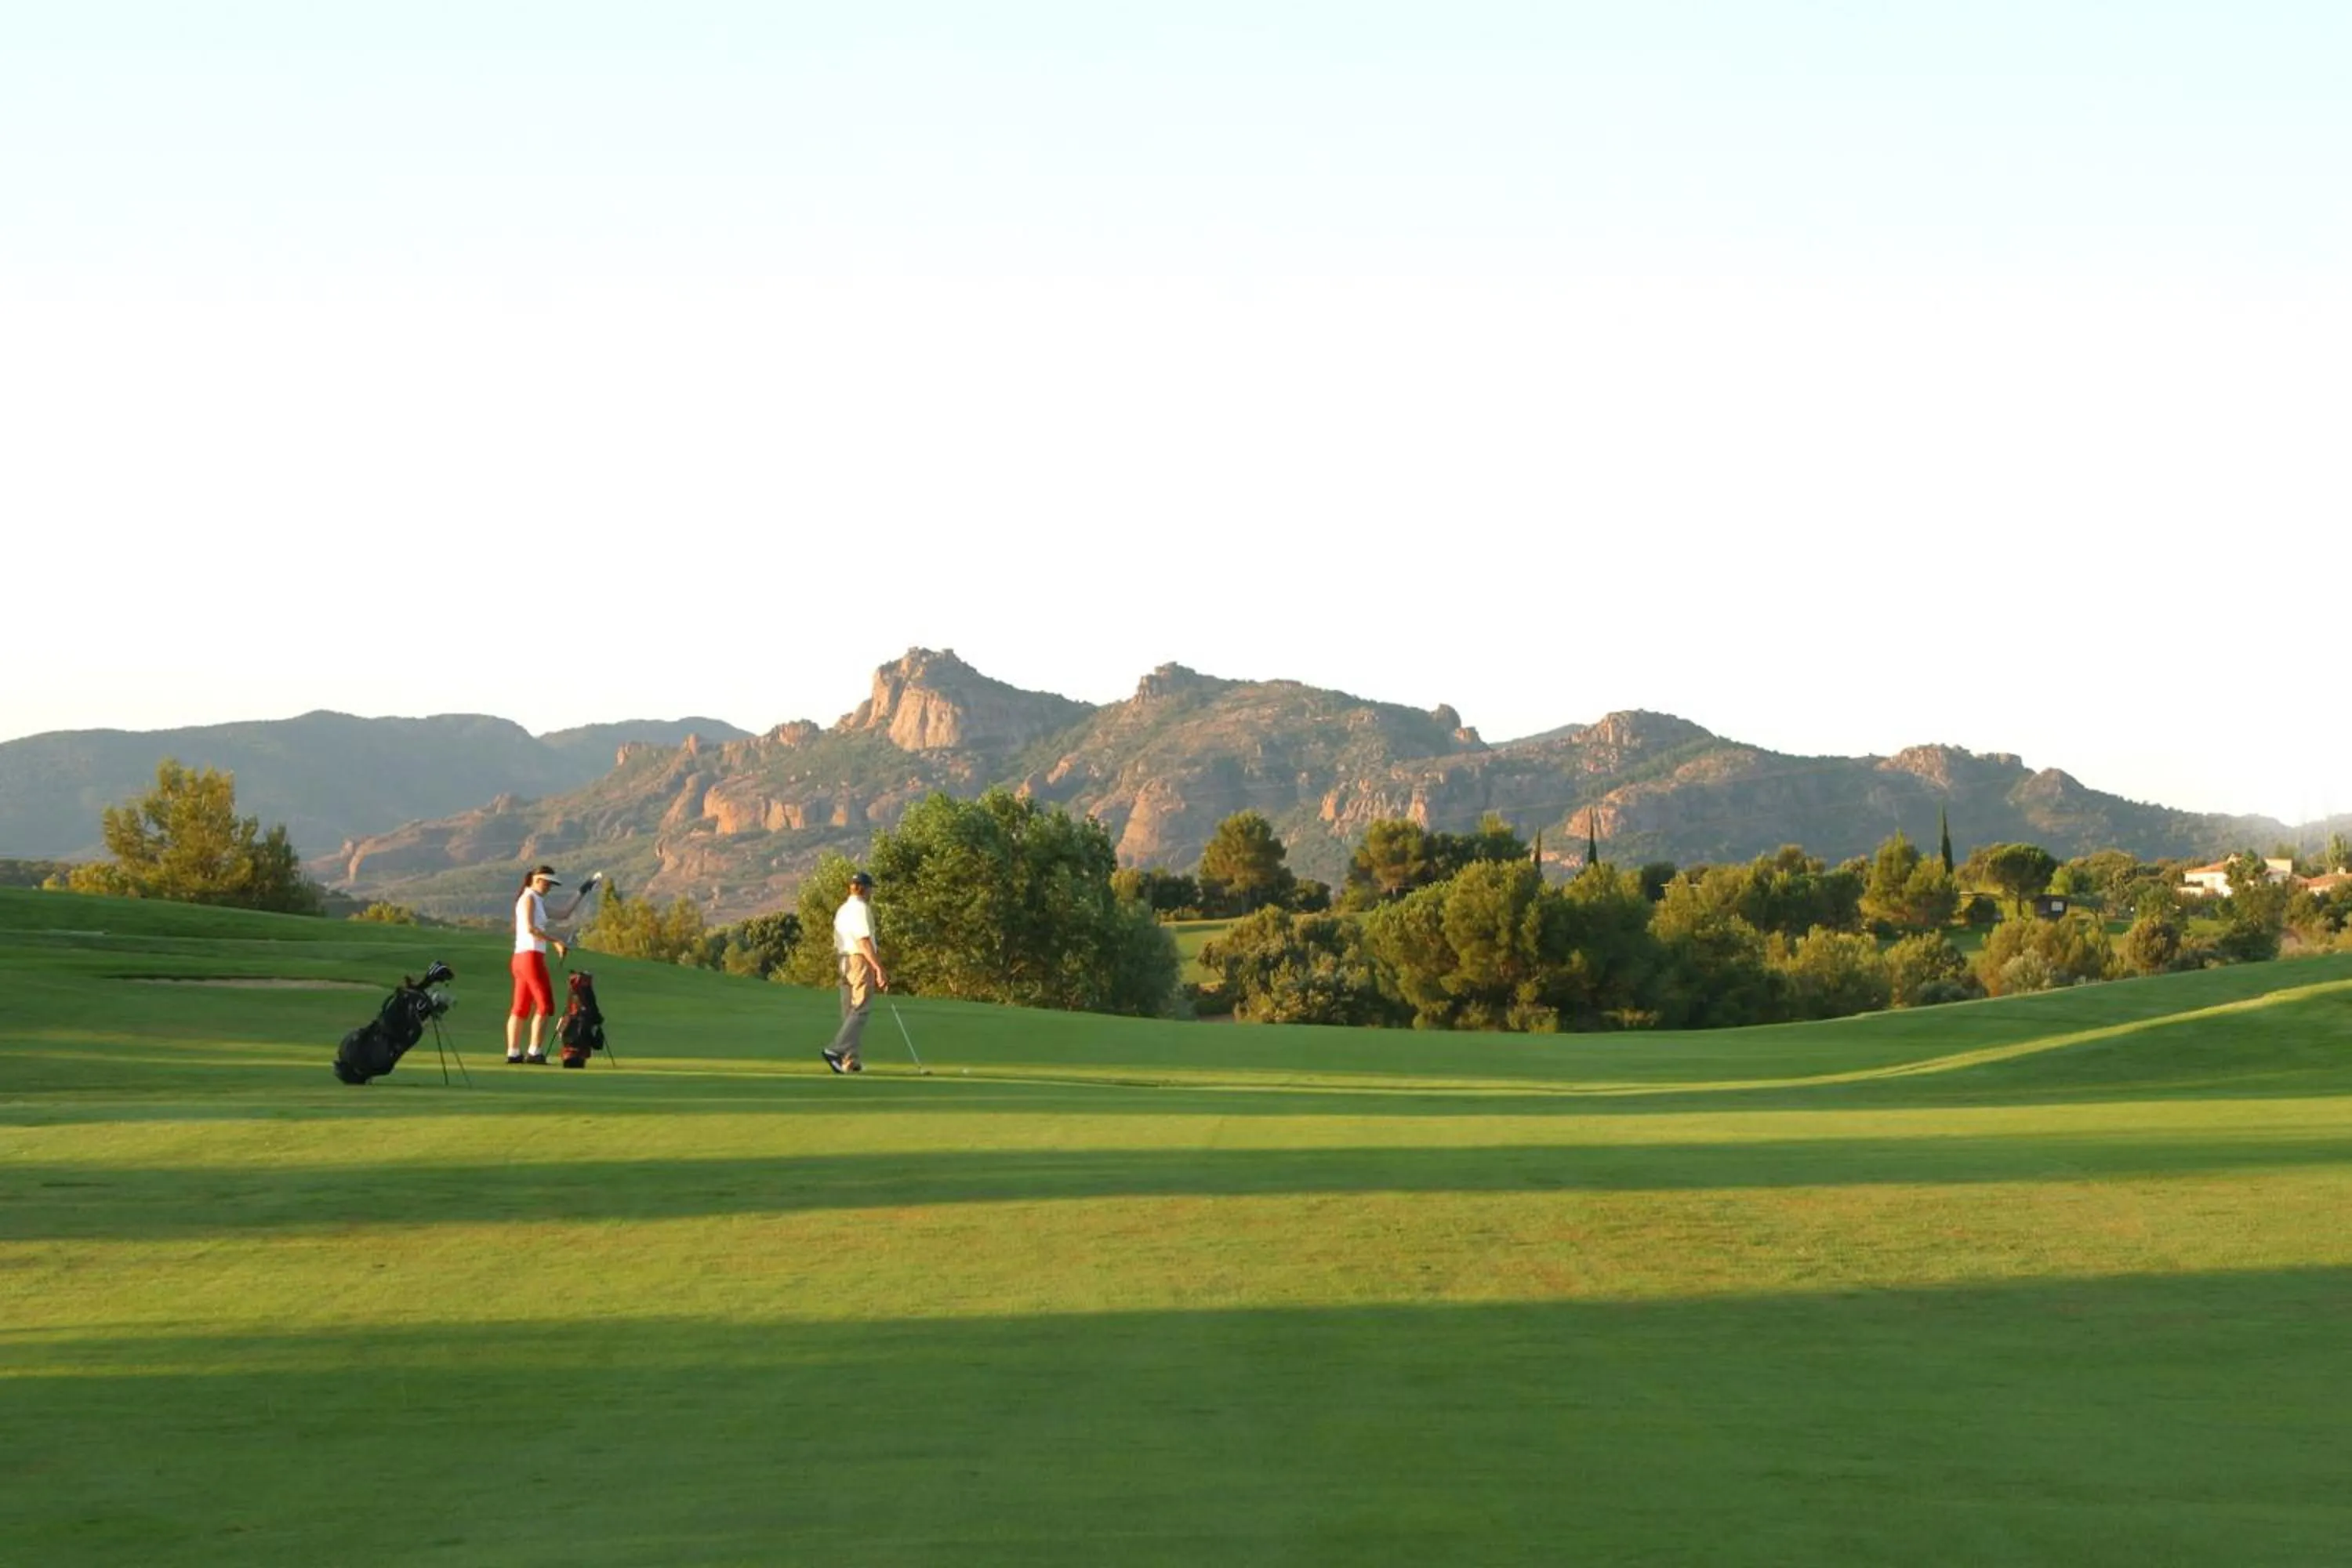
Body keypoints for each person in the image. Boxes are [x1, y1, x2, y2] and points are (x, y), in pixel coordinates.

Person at [509, 864, 590, 1063]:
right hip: (530, 957)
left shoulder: (536, 900)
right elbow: (531, 929)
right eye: (548, 883)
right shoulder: (529, 898)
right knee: (545, 1006)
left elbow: (564, 914)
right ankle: (534, 1052)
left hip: (521, 958)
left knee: (520, 1007)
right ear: (537, 880)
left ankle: (513, 1053)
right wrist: (555, 942)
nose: (550, 888)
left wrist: (582, 892)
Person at [822, 870, 887, 1074]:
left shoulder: (843, 909)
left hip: (843, 960)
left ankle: (850, 1061)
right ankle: (835, 1050)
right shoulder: (861, 909)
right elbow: (863, 941)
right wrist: (879, 968)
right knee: (861, 1008)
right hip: (858, 959)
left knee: (849, 1010)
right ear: (866, 889)